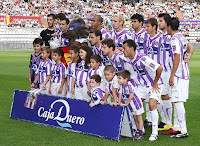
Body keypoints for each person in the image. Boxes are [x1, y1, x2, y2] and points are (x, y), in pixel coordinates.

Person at [122, 39, 163, 141]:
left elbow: (159, 68)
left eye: (124, 48)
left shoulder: (143, 58)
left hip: (154, 85)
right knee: (134, 104)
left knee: (152, 104)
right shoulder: (129, 58)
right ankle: (140, 130)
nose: (123, 50)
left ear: (131, 49)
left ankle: (154, 133)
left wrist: (155, 82)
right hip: (142, 86)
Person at [162, 17, 193, 138]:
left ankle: (183, 130)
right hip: (184, 73)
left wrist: (172, 74)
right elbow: (191, 47)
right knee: (177, 101)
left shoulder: (174, 39)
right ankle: (176, 127)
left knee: (178, 101)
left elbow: (177, 57)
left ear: (169, 27)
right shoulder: (182, 36)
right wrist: (189, 55)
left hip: (179, 75)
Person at [157, 13, 173, 130]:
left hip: (168, 72)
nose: (159, 23)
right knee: (161, 96)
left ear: (167, 23)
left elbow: (188, 46)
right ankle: (165, 121)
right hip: (161, 71)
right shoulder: (161, 36)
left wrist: (189, 55)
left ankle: (169, 122)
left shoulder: (171, 36)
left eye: (161, 21)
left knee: (167, 97)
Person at [117, 70, 144, 140]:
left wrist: (126, 103)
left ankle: (140, 133)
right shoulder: (121, 86)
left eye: (120, 78)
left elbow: (131, 95)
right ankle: (138, 131)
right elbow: (120, 94)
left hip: (136, 103)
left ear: (125, 79)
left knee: (139, 117)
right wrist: (118, 102)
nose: (118, 80)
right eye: (118, 78)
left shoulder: (129, 85)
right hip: (131, 105)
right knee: (135, 118)